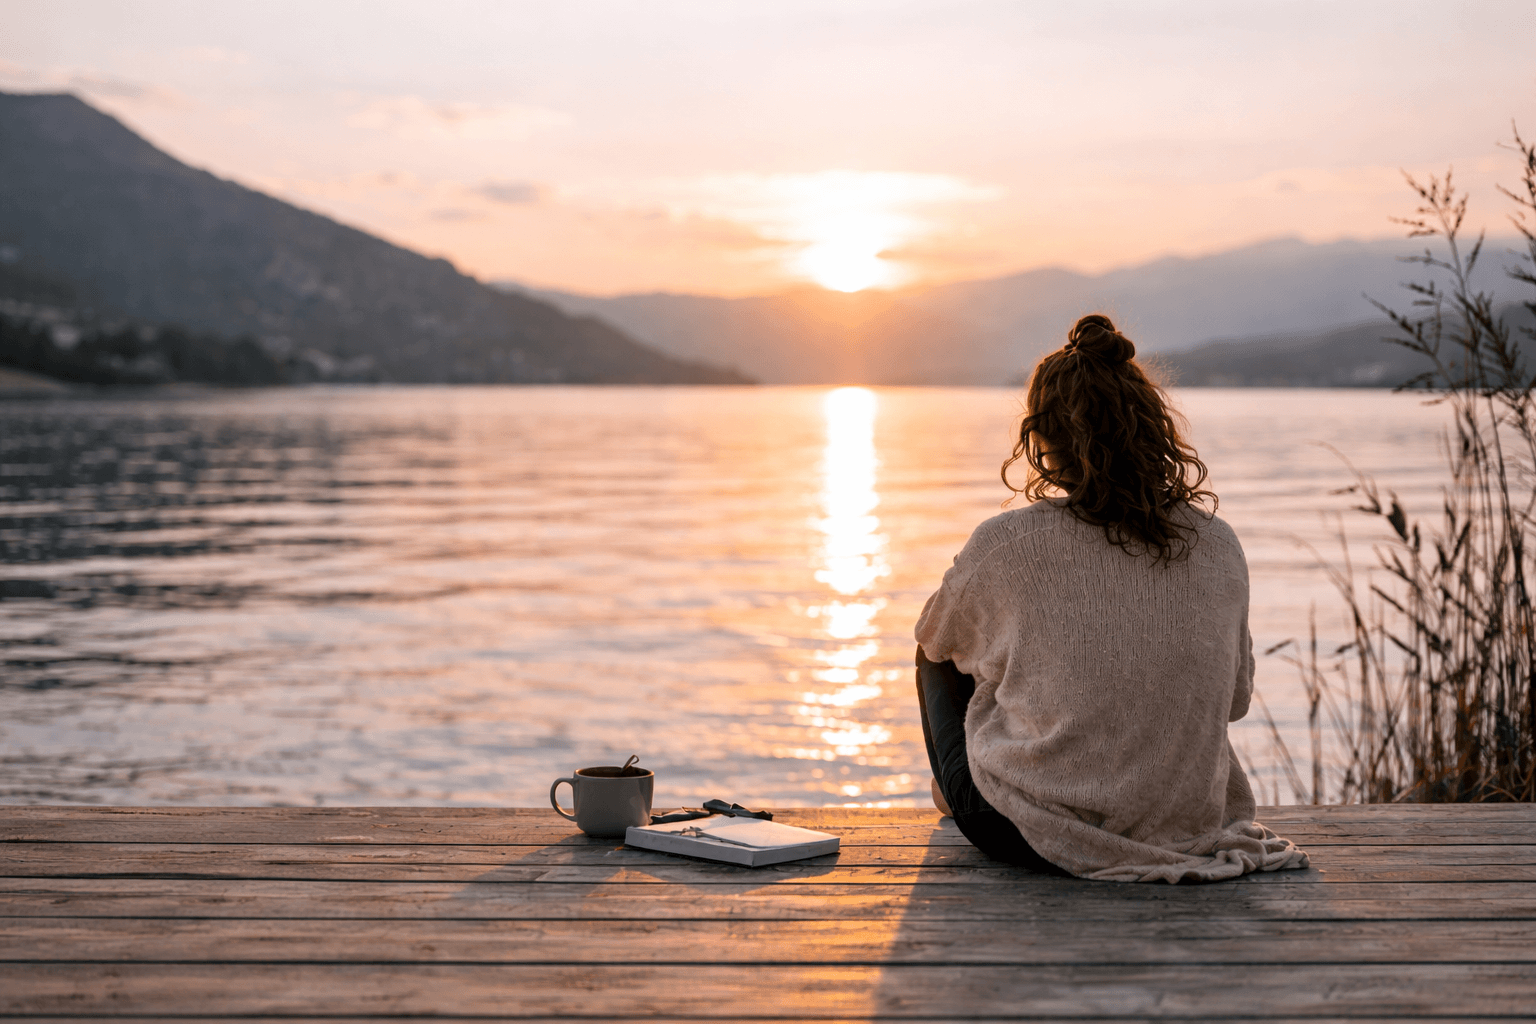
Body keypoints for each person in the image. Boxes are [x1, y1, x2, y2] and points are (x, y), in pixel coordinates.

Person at [914, 314, 1309, 883]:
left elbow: (938, 641)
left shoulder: (1007, 544)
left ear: (1042, 438)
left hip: (1028, 833)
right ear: (1151, 429)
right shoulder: (1218, 544)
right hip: (1186, 823)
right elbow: (1235, 698)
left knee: (936, 650)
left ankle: (985, 783)